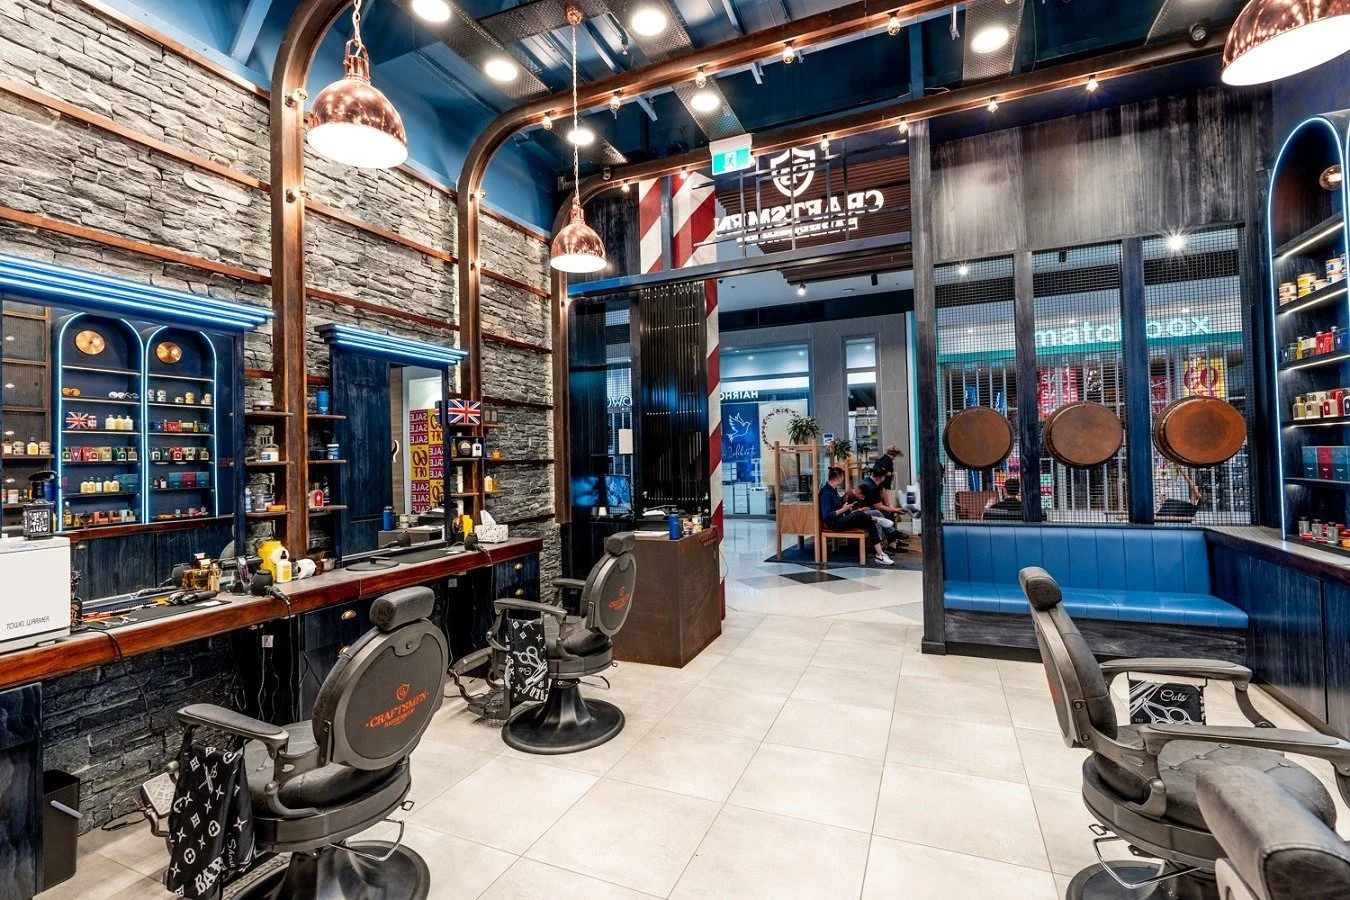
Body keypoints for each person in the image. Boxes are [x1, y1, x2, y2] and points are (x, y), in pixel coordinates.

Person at [819, 467, 894, 566]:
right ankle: (876, 519)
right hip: (834, 524)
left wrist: (848, 509)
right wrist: (843, 509)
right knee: (860, 515)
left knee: (867, 520)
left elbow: (839, 507)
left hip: (841, 518)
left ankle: (880, 554)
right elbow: (827, 516)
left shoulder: (833, 490)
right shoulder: (826, 493)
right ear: (839, 478)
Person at [851, 465, 908, 552]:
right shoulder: (871, 487)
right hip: (863, 509)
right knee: (885, 514)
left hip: (870, 507)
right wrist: (895, 510)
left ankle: (893, 541)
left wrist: (887, 504)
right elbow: (879, 506)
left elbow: (882, 491)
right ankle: (892, 542)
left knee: (888, 512)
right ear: (881, 477)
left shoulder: (873, 481)